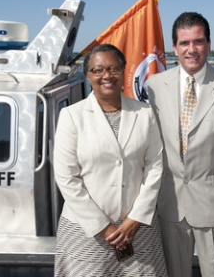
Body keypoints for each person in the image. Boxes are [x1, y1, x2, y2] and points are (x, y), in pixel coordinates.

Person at [147, 12, 214, 277]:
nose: (191, 49)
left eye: (198, 41)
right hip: (169, 205)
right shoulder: (154, 86)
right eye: (184, 43)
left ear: (208, 44)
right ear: (174, 47)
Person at [53, 44, 167, 276]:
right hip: (86, 232)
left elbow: (155, 167)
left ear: (124, 70)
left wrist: (135, 219)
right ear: (88, 75)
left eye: (114, 68)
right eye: (98, 70)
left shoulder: (145, 114)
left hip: (138, 230)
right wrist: (103, 228)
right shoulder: (71, 116)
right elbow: (66, 177)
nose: (107, 75)